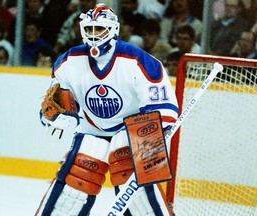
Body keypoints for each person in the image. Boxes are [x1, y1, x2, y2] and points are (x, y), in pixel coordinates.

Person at [36, 3, 179, 216]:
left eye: (99, 29)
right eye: (89, 29)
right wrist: (55, 118)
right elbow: (50, 110)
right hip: (92, 129)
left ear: (113, 30)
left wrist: (151, 139)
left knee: (126, 157)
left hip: (131, 131)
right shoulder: (68, 62)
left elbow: (164, 112)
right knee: (84, 160)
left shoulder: (139, 61)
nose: (94, 35)